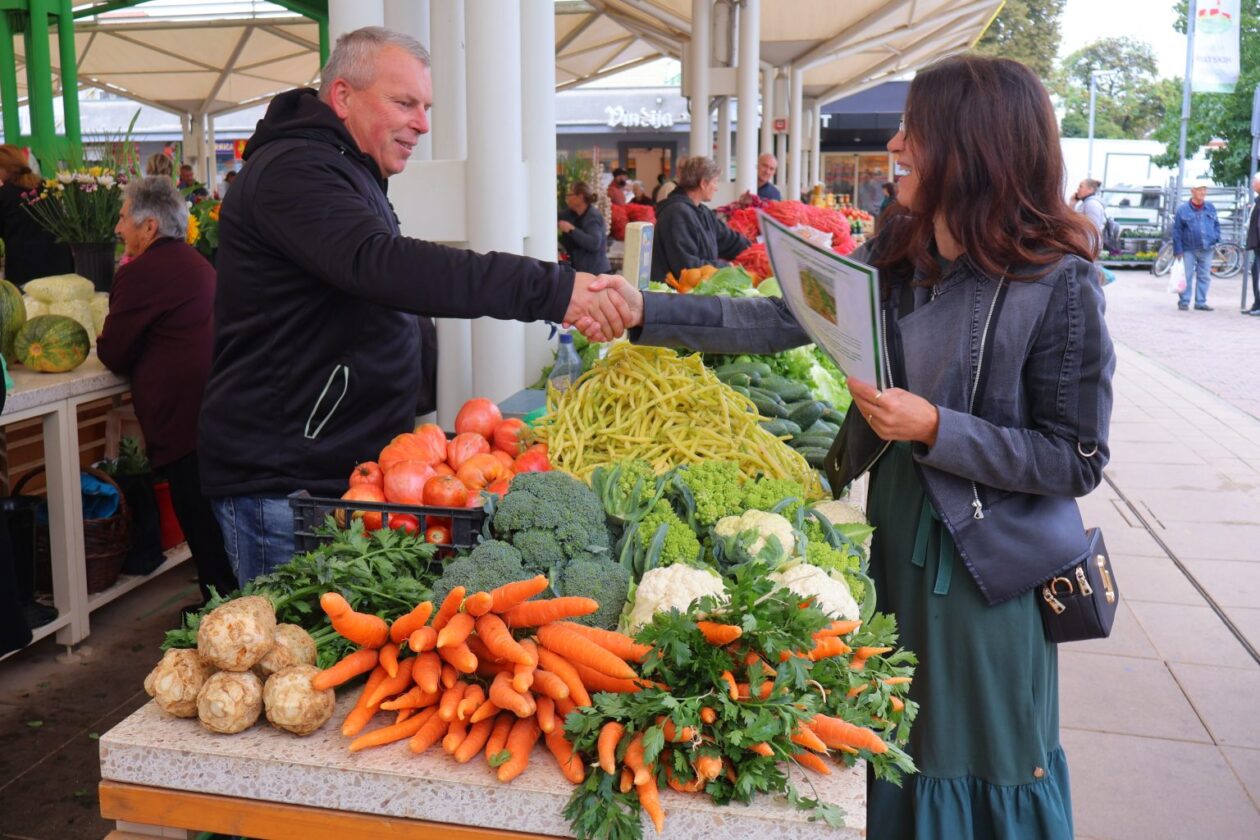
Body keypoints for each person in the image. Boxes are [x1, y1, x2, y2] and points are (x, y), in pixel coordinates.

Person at [579, 54, 1113, 839]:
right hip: (895, 524)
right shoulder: (903, 248)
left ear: (969, 147)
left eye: (915, 130)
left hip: (987, 563)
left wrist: (936, 427)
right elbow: (777, 319)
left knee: (972, 748)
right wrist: (642, 314)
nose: (896, 143)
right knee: (891, 735)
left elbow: (1077, 458)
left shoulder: (1059, 281)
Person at [197, 26, 631, 585]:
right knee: (294, 656)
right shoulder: (295, 172)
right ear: (344, 96)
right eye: (404, 103)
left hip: (337, 472)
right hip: (286, 484)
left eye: (425, 106)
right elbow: (385, 266)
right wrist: (554, 290)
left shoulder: (347, 170)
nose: (422, 123)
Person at [97, 177, 238, 604]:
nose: (118, 229)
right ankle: (228, 610)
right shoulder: (198, 264)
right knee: (217, 531)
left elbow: (114, 351)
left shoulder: (141, 275)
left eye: (123, 219)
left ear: (150, 226)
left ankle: (222, 622)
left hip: (183, 425)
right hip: (216, 415)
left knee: (203, 531)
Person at [650, 155, 750, 284]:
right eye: (715, 182)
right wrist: (726, 267)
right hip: (674, 297)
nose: (716, 187)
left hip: (695, 292)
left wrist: (753, 249)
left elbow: (728, 239)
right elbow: (687, 267)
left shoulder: (702, 211)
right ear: (703, 183)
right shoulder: (676, 214)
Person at [0, 145, 75, 283]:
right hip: (60, 263)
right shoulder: (47, 186)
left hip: (25, 270)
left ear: (5, 168)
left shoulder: (4, 195)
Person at [1172, 179, 1220, 311]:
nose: (1203, 192)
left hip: (1207, 248)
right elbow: (1177, 231)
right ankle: (1184, 301)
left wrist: (1216, 237)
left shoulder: (1210, 207)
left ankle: (1200, 302)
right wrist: (1178, 250)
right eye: (1199, 189)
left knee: (1204, 276)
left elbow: (1216, 224)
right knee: (1186, 276)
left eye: (1204, 189)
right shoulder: (1182, 210)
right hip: (1188, 248)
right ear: (1192, 191)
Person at [559, 180, 611, 274]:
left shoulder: (592, 217)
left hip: (595, 273)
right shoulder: (571, 214)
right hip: (582, 270)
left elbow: (594, 243)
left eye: (570, 195)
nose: (567, 198)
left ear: (580, 197)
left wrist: (571, 230)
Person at [1245, 173, 1260, 315]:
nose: (1252, 184)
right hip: (1257, 247)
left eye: (1254, 182)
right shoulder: (1257, 201)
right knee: (1256, 274)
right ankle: (1256, 305)